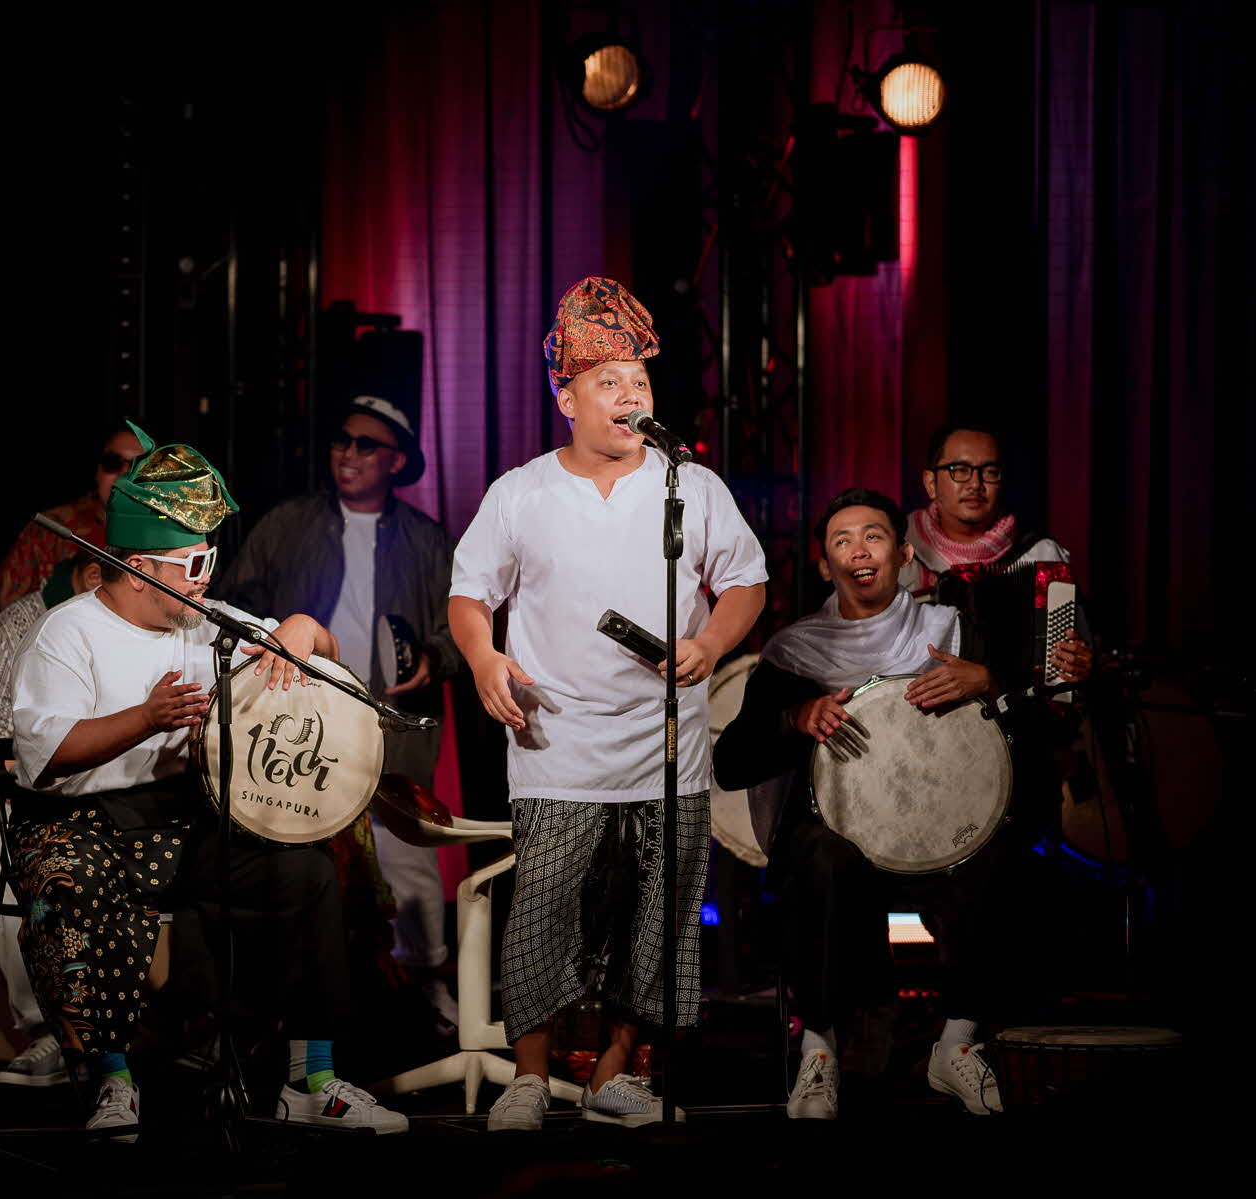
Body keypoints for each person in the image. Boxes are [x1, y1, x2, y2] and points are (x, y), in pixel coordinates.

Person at [8, 423, 408, 1139]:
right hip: (89, 822)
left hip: (187, 820)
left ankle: (310, 1078)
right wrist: (146, 717)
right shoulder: (68, 632)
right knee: (79, 878)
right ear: (136, 569)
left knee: (307, 870)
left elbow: (322, 646)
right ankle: (112, 1078)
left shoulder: (209, 624)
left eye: (209, 560)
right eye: (191, 562)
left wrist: (300, 626)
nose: (205, 578)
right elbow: (44, 753)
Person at [449, 277, 768, 1130]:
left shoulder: (688, 485)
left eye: (639, 380)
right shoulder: (522, 491)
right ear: (567, 398)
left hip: (667, 743)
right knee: (547, 901)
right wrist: (484, 657)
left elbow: (745, 580)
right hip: (558, 738)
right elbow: (470, 592)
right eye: (608, 381)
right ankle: (528, 1074)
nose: (630, 396)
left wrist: (712, 642)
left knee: (659, 908)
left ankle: (620, 1071)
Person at [712, 488, 1091, 1120]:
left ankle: (957, 1045)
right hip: (840, 843)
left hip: (945, 839)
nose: (859, 551)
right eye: (842, 540)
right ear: (824, 564)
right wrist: (795, 715)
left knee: (1008, 856)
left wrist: (990, 680)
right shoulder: (794, 651)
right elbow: (733, 764)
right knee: (822, 861)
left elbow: (1047, 721)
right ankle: (820, 1051)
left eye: (874, 537)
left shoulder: (953, 631)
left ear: (904, 553)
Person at [213, 393, 462, 1025]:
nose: (347, 454)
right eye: (340, 441)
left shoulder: (424, 537)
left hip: (389, 717)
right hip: (301, 717)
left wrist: (433, 657)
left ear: (397, 461)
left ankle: (428, 986)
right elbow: (236, 600)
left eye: (365, 445)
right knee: (302, 852)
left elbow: (458, 624)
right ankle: (301, 1012)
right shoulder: (289, 523)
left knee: (407, 855)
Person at [0, 557, 85, 1086]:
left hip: (124, 794)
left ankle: (192, 1025)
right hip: (26, 793)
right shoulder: (19, 623)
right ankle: (46, 1027)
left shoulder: (160, 619)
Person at [0, 423, 142, 624]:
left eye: (138, 467)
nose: (124, 476)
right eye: (113, 463)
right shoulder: (53, 528)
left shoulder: (173, 540)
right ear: (97, 470)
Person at [900, 425, 1070, 601]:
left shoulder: (1042, 555)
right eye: (960, 470)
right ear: (931, 484)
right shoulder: (898, 551)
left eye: (990, 472)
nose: (975, 484)